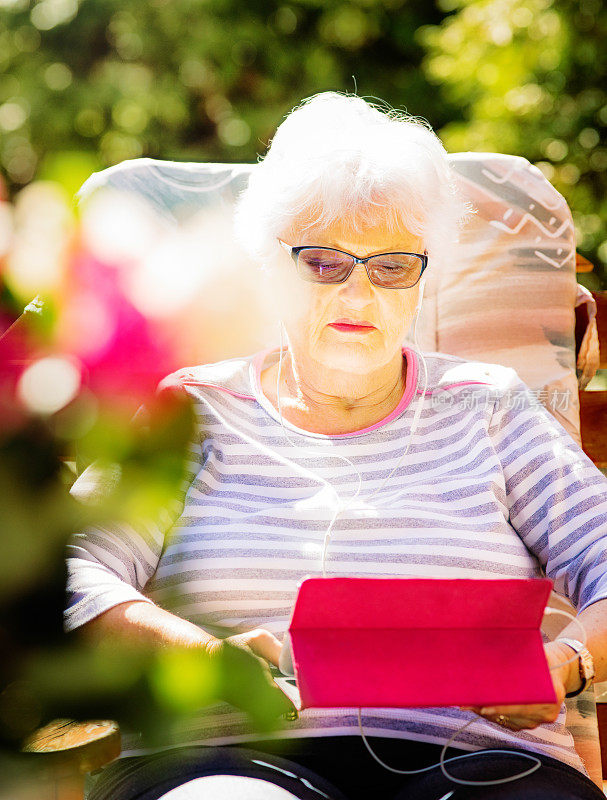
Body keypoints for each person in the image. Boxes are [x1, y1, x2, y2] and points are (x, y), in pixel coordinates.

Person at [65, 92, 607, 800]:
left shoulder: (489, 404)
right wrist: (203, 656)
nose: (360, 291)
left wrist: (568, 663)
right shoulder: (192, 409)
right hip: (225, 756)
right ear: (267, 263)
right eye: (323, 261)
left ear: (423, 277)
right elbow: (65, 571)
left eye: (390, 266)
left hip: (480, 764)